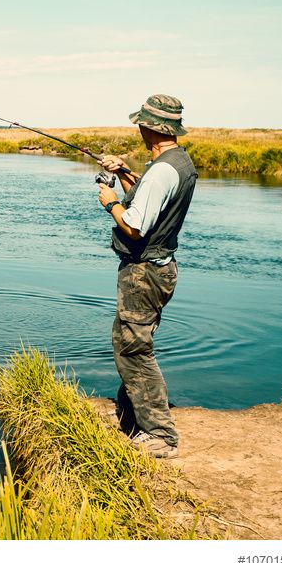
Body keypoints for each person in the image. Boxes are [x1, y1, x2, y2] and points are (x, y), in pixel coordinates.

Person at [96, 94, 197, 459]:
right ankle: (132, 417)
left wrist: (110, 202)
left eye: (141, 122)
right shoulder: (176, 162)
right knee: (131, 341)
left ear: (149, 128)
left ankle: (160, 435)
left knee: (134, 348)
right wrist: (124, 173)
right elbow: (148, 201)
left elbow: (136, 225)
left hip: (144, 273)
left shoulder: (162, 171)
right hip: (158, 269)